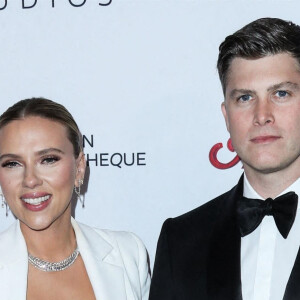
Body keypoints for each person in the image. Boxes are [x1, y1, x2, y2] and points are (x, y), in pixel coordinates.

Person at [149, 17, 300, 300]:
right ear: (226, 116)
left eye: (281, 93)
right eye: (245, 98)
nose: (262, 115)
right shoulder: (180, 241)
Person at [0, 97, 150, 300]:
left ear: (79, 168)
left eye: (48, 159)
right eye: (12, 163)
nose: (30, 180)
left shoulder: (128, 254)